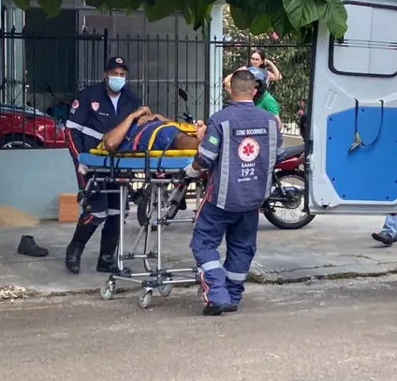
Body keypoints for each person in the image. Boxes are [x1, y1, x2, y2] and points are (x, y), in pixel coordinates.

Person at [184, 69, 287, 316]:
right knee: (242, 246)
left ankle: (217, 294)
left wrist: (191, 169)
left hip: (222, 199)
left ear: (231, 90)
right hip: (253, 198)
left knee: (204, 242)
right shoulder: (270, 121)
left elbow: (206, 158)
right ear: (254, 91)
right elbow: (280, 155)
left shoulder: (220, 119)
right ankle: (232, 295)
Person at [63, 56, 145, 274]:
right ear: (105, 75)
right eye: (114, 74)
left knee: (118, 212)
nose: (118, 78)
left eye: (122, 74)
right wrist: (80, 159)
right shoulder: (88, 96)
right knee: (96, 211)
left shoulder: (131, 99)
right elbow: (70, 131)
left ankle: (106, 259)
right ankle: (74, 251)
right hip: (91, 163)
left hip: (118, 163)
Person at [100, 110, 202, 153]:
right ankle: (206, 145)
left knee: (179, 131)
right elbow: (110, 143)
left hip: (157, 127)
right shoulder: (111, 135)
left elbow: (175, 127)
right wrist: (132, 116)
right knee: (174, 137)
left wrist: (159, 117)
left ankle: (209, 141)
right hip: (147, 137)